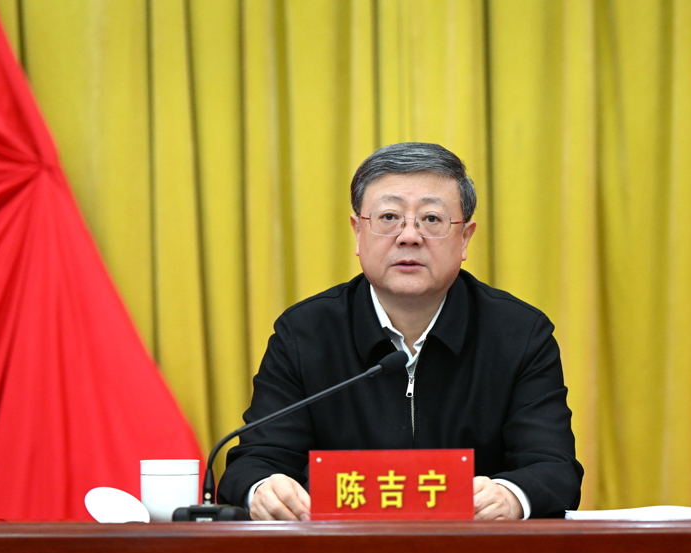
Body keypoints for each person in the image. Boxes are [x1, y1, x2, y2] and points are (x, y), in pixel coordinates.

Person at [218, 142, 583, 520]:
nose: (409, 236)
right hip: (338, 552)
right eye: (389, 217)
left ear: (465, 238)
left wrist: (510, 496)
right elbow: (253, 462)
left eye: (432, 219)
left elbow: (554, 467)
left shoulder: (519, 334)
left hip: (474, 550)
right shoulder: (305, 334)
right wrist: (264, 489)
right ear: (358, 232)